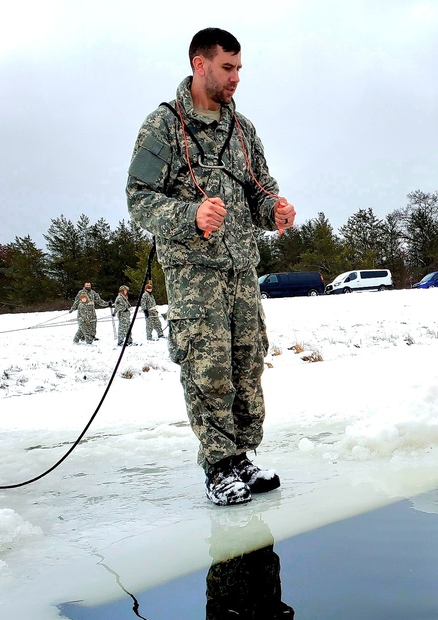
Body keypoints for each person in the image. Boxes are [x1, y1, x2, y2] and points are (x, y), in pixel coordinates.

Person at [126, 27, 296, 506]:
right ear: (200, 65)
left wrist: (275, 211)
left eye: (240, 68)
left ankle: (243, 455)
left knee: (247, 361)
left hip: (242, 268)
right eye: (228, 68)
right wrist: (189, 214)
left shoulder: (242, 131)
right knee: (208, 365)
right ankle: (219, 465)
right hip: (194, 272)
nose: (236, 78)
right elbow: (138, 199)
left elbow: (260, 189)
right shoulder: (163, 126)